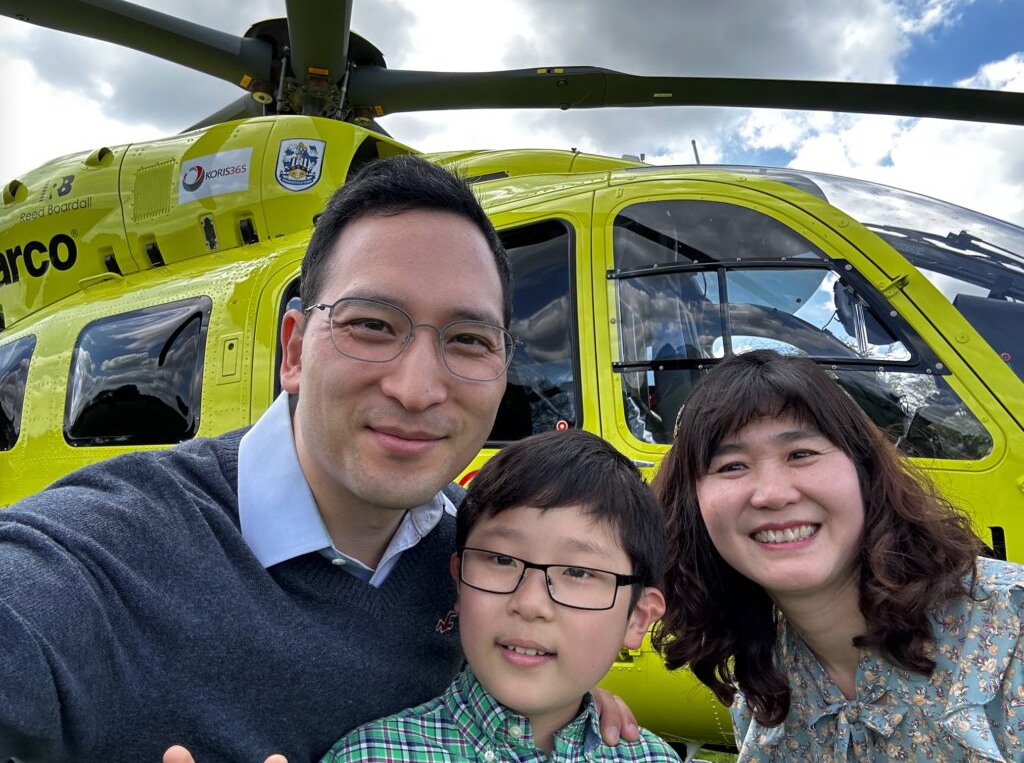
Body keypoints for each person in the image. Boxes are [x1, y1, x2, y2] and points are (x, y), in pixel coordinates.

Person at [0, 156, 636, 763]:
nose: (417, 390)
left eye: (469, 340)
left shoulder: (486, 559)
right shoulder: (108, 550)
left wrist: (568, 711)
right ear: (295, 352)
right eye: (372, 326)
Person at [651, 349, 1024, 761]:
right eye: (732, 466)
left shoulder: (1011, 623)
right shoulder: (763, 695)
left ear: (865, 470)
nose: (773, 494)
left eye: (801, 454)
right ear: (693, 506)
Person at [321, 429, 680, 762]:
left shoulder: (654, 758)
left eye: (577, 572)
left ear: (637, 618)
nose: (530, 604)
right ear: (458, 580)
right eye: (502, 560)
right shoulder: (371, 755)